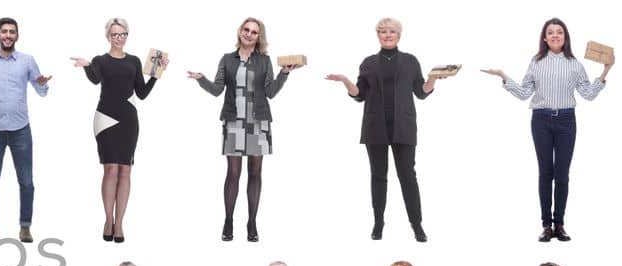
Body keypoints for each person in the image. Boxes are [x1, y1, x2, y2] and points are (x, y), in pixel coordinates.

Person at [480, 18, 612, 242]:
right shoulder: (536, 61)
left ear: (565, 37)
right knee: (545, 173)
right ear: (544, 38)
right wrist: (504, 76)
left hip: (566, 121)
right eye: (550, 33)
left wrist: (606, 70)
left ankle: (559, 224)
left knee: (562, 174)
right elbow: (523, 93)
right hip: (540, 120)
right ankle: (546, 226)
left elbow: (588, 94)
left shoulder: (574, 64)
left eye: (559, 32)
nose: (555, 36)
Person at [325, 18, 443, 242]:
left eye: (392, 32)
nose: (387, 35)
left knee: (408, 176)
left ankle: (417, 225)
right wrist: (345, 81)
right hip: (375, 127)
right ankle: (378, 223)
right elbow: (359, 94)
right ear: (378, 35)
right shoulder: (368, 62)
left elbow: (421, 92)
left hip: (404, 127)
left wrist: (433, 78)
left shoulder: (410, 61)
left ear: (399, 35)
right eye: (383, 32)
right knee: (378, 176)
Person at [187, 18, 298, 242]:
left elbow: (271, 92)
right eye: (246, 30)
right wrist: (201, 79)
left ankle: (252, 222)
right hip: (233, 120)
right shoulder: (227, 59)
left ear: (259, 37)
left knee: (255, 173)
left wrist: (284, 74)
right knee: (233, 173)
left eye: (254, 32)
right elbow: (217, 89)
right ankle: (228, 221)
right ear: (240, 32)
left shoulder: (264, 61)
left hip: (258, 122)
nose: (249, 34)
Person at [72, 18, 162, 244]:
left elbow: (141, 93)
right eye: (115, 35)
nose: (119, 38)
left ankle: (120, 222)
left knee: (126, 171)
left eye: (122, 34)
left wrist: (155, 75)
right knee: (110, 169)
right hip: (105, 118)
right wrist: (85, 66)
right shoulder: (99, 60)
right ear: (108, 36)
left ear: (127, 35)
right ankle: (107, 220)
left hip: (128, 119)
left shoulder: (133, 61)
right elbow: (94, 79)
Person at [0, 17, 50, 243]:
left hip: (21, 129)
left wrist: (41, 83)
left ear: (17, 36)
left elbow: (42, 91)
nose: (8, 35)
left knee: (26, 181)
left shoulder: (27, 61)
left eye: (12, 32)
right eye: (4, 32)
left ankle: (25, 227)